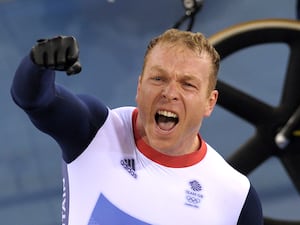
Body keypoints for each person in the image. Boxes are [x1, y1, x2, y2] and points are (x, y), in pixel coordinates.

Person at [11, 29, 263, 225]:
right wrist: (37, 64)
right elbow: (35, 101)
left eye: (188, 84)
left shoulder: (236, 198)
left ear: (210, 102)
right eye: (158, 78)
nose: (169, 93)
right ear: (139, 86)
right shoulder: (96, 131)